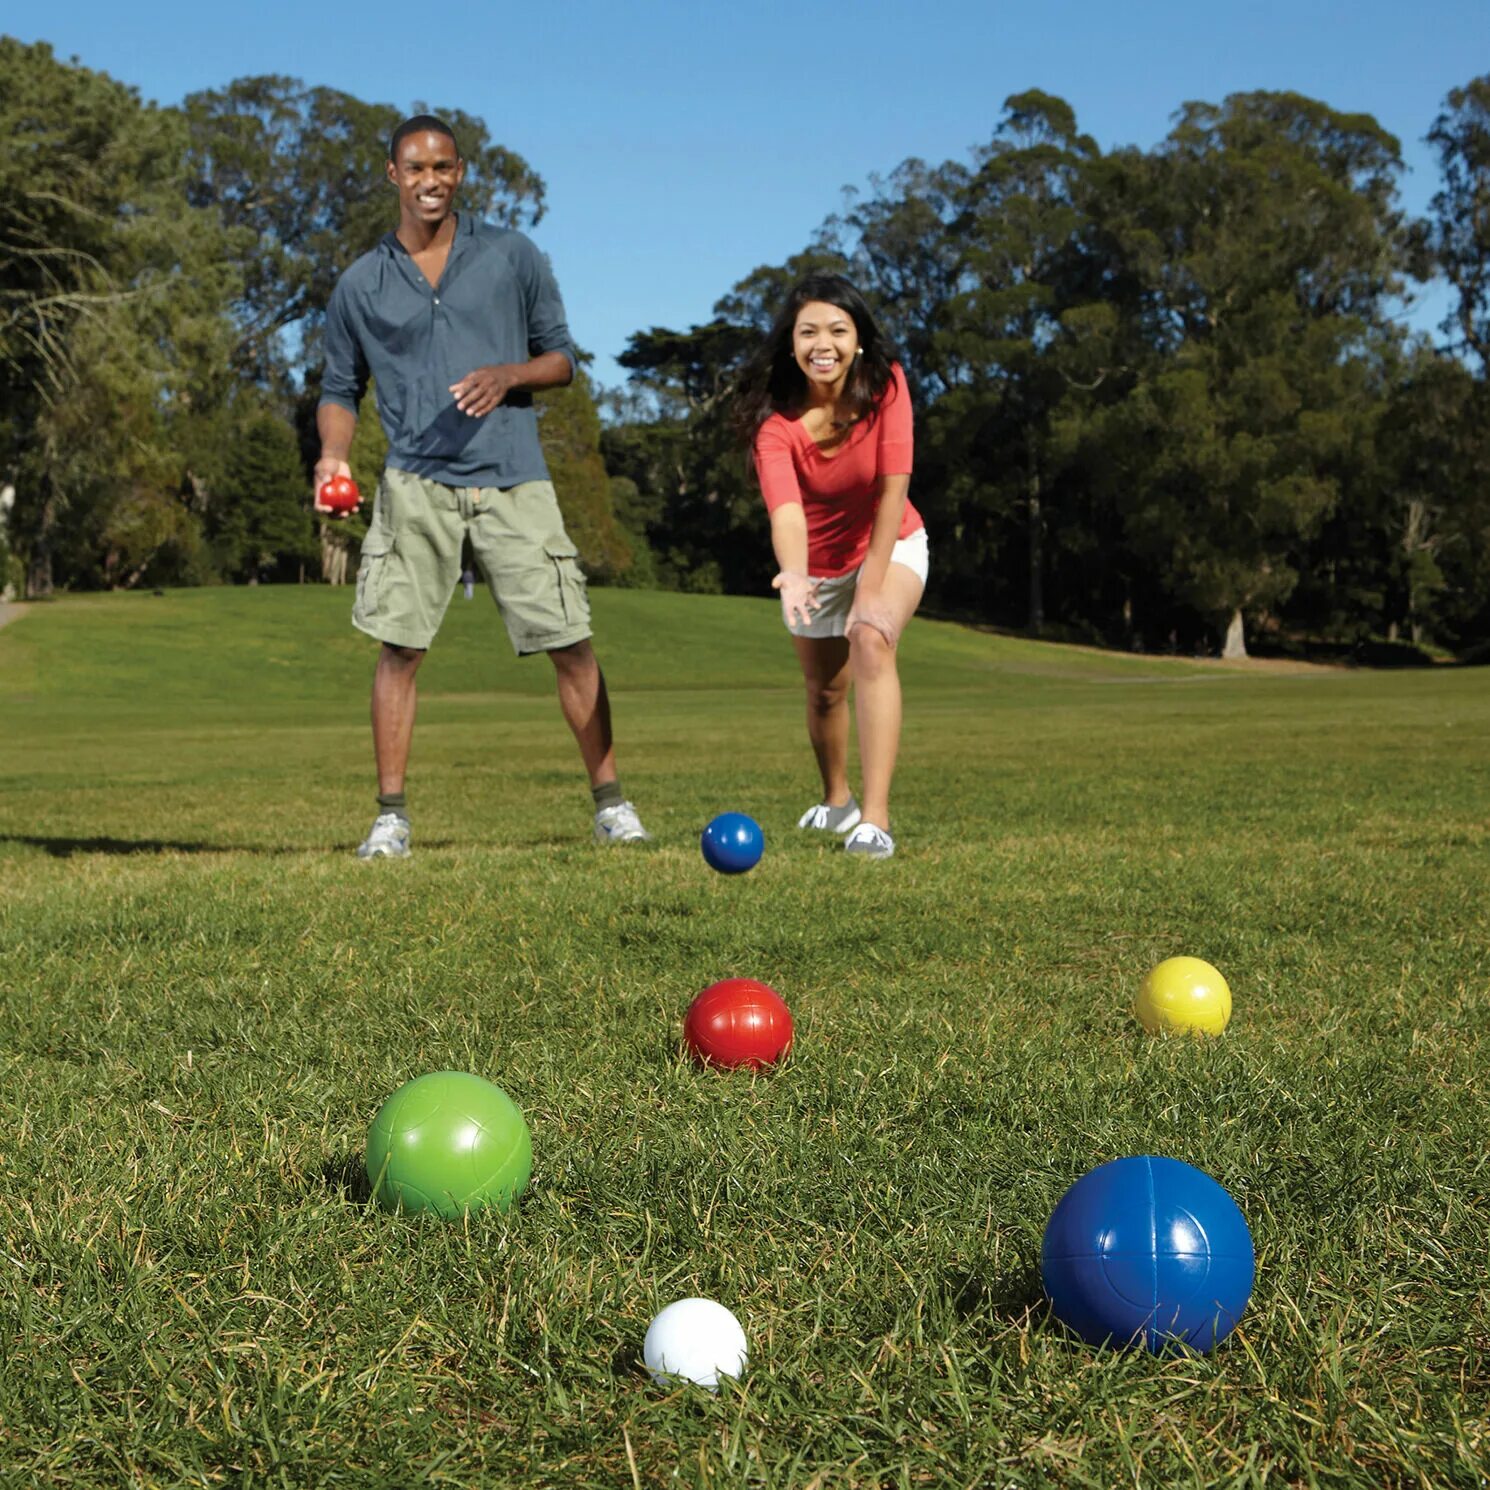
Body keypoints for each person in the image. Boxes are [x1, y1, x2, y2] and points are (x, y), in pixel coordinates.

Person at [315, 115, 649, 859]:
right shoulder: (360, 284)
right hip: (415, 485)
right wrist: (332, 456)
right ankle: (391, 818)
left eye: (443, 166)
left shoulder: (512, 255)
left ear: (460, 172)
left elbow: (561, 359)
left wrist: (509, 374)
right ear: (392, 176)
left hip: (513, 479)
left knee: (570, 641)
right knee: (399, 649)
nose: (430, 180)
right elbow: (339, 387)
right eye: (415, 167)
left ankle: (611, 804)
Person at [732, 274, 927, 860]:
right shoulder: (777, 430)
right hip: (815, 567)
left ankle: (875, 820)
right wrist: (793, 573)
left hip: (891, 543)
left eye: (838, 330)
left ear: (858, 340)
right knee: (823, 692)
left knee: (871, 638)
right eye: (808, 331)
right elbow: (787, 514)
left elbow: (894, 489)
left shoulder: (887, 386)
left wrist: (869, 588)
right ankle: (837, 798)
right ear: (791, 345)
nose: (824, 343)